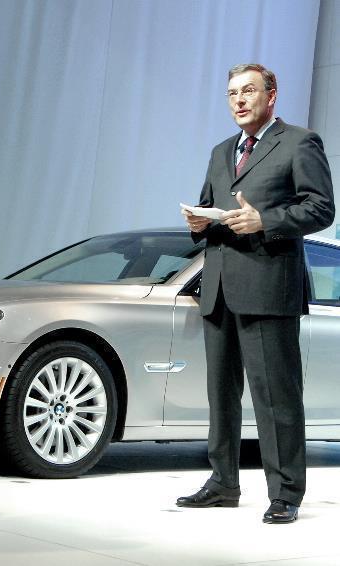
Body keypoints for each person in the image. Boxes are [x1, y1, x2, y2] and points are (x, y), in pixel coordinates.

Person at [178, 63, 335, 523]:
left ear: (272, 95)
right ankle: (223, 482)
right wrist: (198, 221)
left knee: (275, 396)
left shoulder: (299, 142)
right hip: (220, 286)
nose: (239, 100)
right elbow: (210, 203)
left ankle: (285, 493)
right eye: (231, 94)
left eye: (248, 91)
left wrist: (267, 221)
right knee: (221, 395)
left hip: (268, 285)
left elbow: (321, 207)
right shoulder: (221, 151)